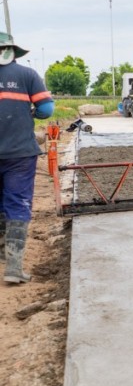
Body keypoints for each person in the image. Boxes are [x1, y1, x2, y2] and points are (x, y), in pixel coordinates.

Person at [0, 32, 54, 284]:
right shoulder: (27, 75)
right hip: (19, 154)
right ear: (12, 51)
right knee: (17, 203)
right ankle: (13, 267)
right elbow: (45, 109)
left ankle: (2, 250)